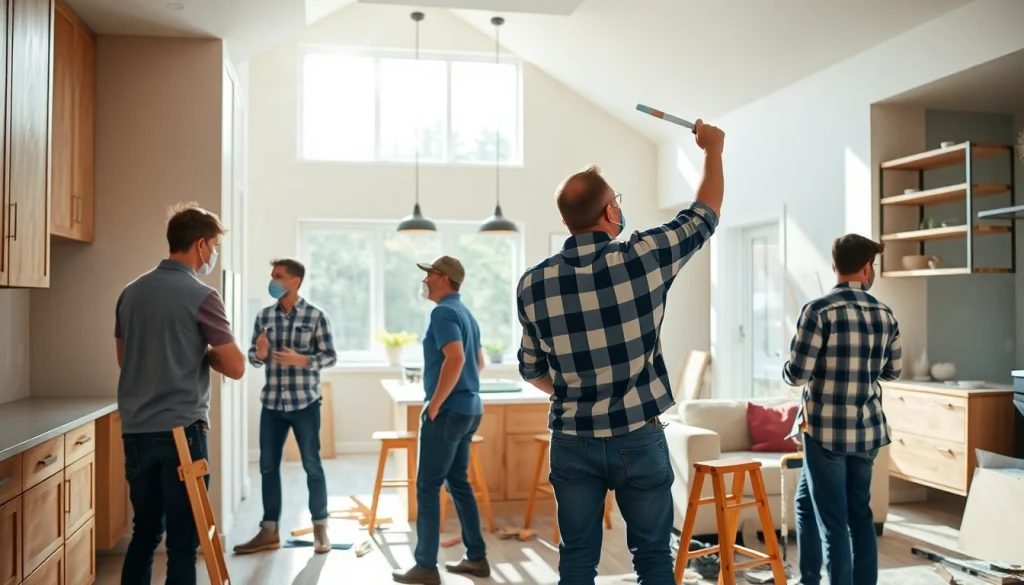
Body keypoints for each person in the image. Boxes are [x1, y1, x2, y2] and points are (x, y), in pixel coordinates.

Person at [515, 119, 725, 584]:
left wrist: (573, 391)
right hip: (638, 436)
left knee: (576, 560)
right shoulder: (642, 257)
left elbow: (532, 369)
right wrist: (712, 150)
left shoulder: (533, 283)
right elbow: (705, 213)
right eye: (618, 201)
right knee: (652, 558)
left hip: (571, 439)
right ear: (610, 212)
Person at [115, 202, 245, 585]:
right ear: (201, 245)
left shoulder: (130, 293)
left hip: (136, 431)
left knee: (145, 533)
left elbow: (125, 360)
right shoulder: (202, 296)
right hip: (182, 436)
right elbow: (236, 367)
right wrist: (204, 354)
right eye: (214, 246)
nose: (213, 256)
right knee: (183, 542)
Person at [783, 233, 902, 585]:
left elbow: (798, 374)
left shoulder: (817, 311)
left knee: (833, 522)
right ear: (866, 268)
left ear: (834, 267)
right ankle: (809, 579)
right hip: (865, 432)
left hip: (824, 433)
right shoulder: (885, 313)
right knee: (850, 514)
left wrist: (787, 368)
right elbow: (892, 371)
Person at [393, 256, 489, 585]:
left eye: (429, 274)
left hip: (448, 412)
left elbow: (458, 358)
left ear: (443, 278)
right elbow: (479, 362)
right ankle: (477, 558)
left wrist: (435, 404)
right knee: (458, 483)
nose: (425, 280)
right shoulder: (466, 313)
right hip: (470, 409)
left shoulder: (443, 312)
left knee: (428, 486)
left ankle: (425, 566)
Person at [235, 258, 338, 554]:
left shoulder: (317, 316)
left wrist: (303, 360)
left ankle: (320, 528)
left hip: (305, 403)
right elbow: (255, 359)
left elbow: (330, 356)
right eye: (272, 276)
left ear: (295, 281)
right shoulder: (264, 316)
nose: (273, 280)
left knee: (312, 466)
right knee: (268, 467)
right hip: (272, 405)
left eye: (278, 276)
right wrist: (259, 352)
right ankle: (269, 531)